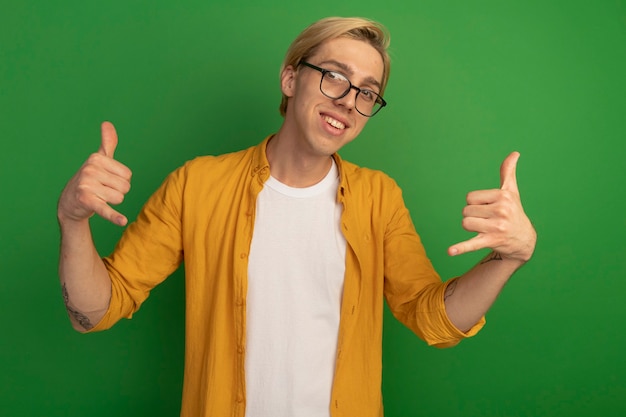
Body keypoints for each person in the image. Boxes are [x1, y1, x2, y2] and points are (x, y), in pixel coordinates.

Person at [57, 16, 536, 417]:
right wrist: (73, 222)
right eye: (333, 75)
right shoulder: (197, 185)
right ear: (291, 78)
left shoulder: (379, 198)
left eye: (367, 92)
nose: (348, 100)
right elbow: (95, 309)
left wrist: (506, 259)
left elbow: (434, 319)